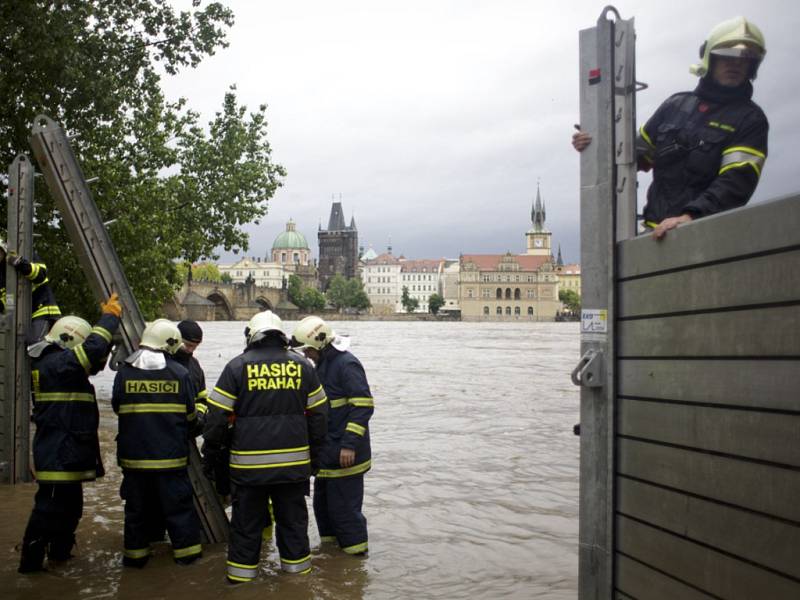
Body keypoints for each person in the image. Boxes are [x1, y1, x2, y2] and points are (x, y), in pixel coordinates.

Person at [572, 16, 768, 240]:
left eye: (745, 59)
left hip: (707, 235)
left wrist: (690, 217)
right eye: (728, 57)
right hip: (655, 235)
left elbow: (736, 181)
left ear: (753, 66)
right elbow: (634, 156)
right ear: (709, 58)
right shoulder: (675, 105)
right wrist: (593, 144)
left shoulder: (750, 119)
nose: (736, 64)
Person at [204, 310, 328, 584]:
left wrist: (211, 455)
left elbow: (215, 419)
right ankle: (297, 584)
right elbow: (320, 417)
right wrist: (315, 460)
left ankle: (241, 582)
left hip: (248, 471)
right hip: (294, 469)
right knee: (293, 525)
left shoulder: (236, 367)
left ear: (251, 335)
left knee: (247, 527)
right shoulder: (303, 367)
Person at [18, 293, 122, 573]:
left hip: (64, 450)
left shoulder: (56, 364)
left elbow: (93, 358)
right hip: (58, 451)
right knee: (48, 509)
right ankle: (30, 565)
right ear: (70, 340)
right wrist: (110, 318)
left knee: (70, 508)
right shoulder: (57, 364)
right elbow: (91, 350)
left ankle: (59, 556)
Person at [112, 319, 202, 568]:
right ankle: (188, 559)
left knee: (136, 512)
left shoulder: (125, 372)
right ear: (170, 344)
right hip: (170, 460)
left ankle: (136, 560)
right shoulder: (181, 374)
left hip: (134, 460)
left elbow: (118, 407)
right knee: (179, 511)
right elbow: (191, 419)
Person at [291, 316, 374, 556]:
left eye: (308, 350)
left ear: (319, 344)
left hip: (346, 455)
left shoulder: (347, 364)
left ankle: (355, 562)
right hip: (328, 456)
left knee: (345, 512)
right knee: (324, 510)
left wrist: (349, 445)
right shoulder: (324, 365)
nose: (306, 355)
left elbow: (363, 406)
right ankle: (332, 563)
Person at [1, 241, 62, 342]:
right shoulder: (2, 275)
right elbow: (8, 299)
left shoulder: (27, 254)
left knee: (35, 345)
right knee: (25, 349)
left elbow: (41, 275)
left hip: (43, 310)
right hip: (24, 318)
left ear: (3, 250)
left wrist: (20, 263)